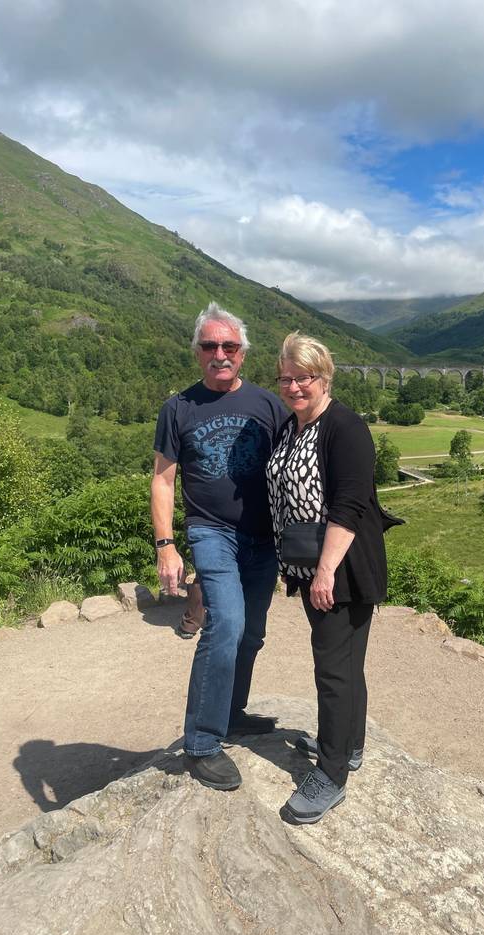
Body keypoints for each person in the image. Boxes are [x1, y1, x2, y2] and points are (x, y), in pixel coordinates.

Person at [151, 302, 286, 791]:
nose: (220, 354)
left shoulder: (269, 405)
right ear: (197, 352)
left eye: (229, 346)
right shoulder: (179, 409)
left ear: (243, 353)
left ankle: (231, 714)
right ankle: (203, 742)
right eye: (210, 346)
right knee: (224, 624)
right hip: (211, 532)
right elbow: (163, 480)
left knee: (251, 633)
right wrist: (166, 544)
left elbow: (293, 465)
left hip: (263, 537)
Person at [266, 332, 391, 825]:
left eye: (304, 378)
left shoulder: (345, 427)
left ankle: (332, 774)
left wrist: (324, 571)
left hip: (342, 568)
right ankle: (348, 745)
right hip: (315, 566)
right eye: (286, 378)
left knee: (333, 671)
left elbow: (350, 504)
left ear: (324, 377)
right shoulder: (294, 426)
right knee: (345, 664)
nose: (294, 386)